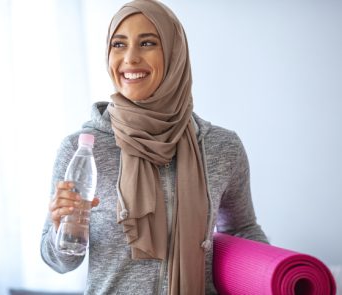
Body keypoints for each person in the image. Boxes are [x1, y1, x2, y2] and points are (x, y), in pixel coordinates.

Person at [41, 0, 268, 294]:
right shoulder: (81, 148)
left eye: (147, 43)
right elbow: (59, 263)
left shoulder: (221, 147)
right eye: (118, 45)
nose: (130, 58)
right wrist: (64, 228)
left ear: (174, 53)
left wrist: (272, 274)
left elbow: (241, 229)